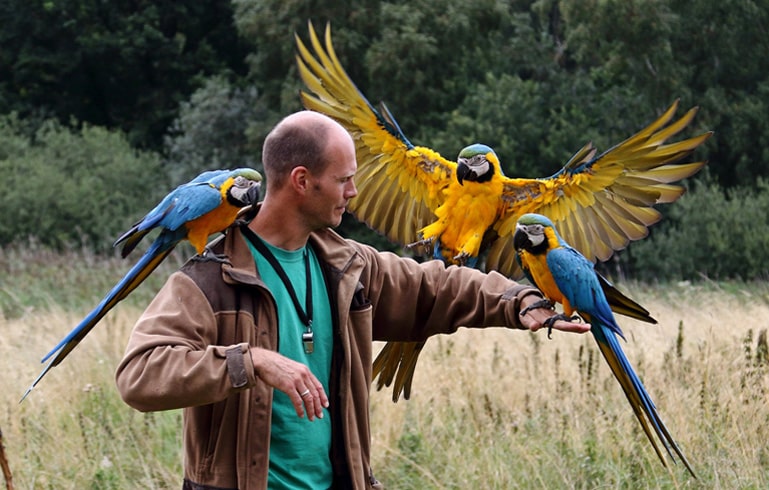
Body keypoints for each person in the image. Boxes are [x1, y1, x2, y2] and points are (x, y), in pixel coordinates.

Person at [115, 110, 590, 490]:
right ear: (302, 181)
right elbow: (140, 375)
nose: (354, 192)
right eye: (343, 180)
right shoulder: (209, 280)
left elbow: (436, 287)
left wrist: (519, 300)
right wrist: (251, 361)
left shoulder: (347, 266)